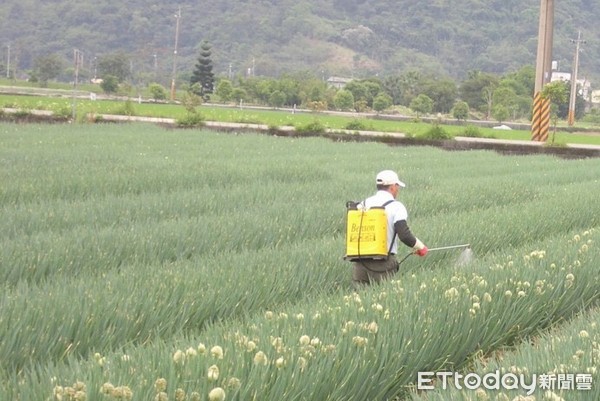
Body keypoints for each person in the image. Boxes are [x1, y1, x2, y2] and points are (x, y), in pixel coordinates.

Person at [352, 170, 428, 287]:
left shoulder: (362, 204)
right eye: (397, 186)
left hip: (360, 264)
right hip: (382, 264)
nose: (398, 189)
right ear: (392, 187)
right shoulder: (396, 206)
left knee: (362, 302)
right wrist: (420, 247)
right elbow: (404, 234)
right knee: (384, 300)